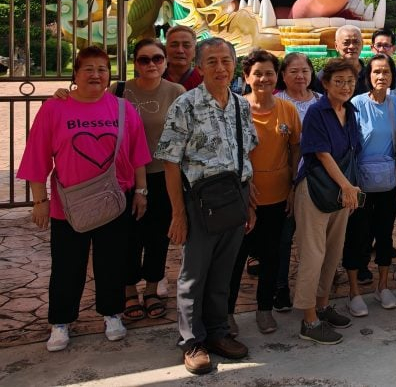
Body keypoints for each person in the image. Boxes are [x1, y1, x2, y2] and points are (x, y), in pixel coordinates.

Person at [18, 46, 151, 352]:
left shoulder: (122, 108)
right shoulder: (55, 109)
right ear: (76, 74)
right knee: (67, 265)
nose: (96, 74)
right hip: (69, 205)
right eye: (88, 68)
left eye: (102, 68)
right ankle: (61, 321)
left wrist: (141, 191)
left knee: (112, 261)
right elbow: (38, 155)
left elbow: (138, 154)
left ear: (109, 75)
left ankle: (112, 313)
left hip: (114, 200)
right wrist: (40, 201)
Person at [156, 38, 259, 375]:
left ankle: (217, 334)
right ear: (199, 68)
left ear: (234, 64)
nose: (220, 68)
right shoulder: (185, 106)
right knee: (193, 276)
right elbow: (170, 163)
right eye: (212, 61)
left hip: (235, 198)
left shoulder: (241, 105)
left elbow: (246, 154)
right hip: (199, 202)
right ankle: (192, 342)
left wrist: (250, 203)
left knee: (223, 274)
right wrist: (178, 213)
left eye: (225, 60)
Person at [227, 50, 301, 335]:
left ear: (277, 76)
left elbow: (294, 148)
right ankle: (227, 313)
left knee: (272, 257)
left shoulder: (287, 110)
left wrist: (293, 187)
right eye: (257, 73)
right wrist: (244, 187)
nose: (263, 78)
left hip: (278, 198)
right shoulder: (235, 109)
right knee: (235, 259)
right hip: (243, 199)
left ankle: (264, 310)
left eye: (269, 73)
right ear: (246, 77)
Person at [294, 58, 362, 346]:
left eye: (350, 81)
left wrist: (350, 187)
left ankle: (322, 305)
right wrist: (347, 186)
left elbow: (352, 151)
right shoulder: (316, 112)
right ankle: (308, 319)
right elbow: (321, 153)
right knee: (313, 255)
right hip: (316, 189)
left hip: (341, 191)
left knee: (333, 253)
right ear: (325, 84)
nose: (346, 87)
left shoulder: (350, 111)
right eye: (339, 81)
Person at [116, 40, 185, 320]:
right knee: (129, 236)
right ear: (135, 63)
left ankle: (153, 288)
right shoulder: (120, 91)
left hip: (162, 174)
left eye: (157, 58)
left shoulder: (176, 92)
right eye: (144, 60)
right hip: (126, 176)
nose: (151, 65)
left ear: (165, 62)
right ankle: (129, 290)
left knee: (158, 236)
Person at [342, 54, 396, 315]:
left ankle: (383, 286)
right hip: (360, 184)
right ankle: (354, 291)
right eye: (376, 72)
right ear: (368, 75)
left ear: (392, 76)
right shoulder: (355, 104)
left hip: (388, 183)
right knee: (357, 236)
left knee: (385, 235)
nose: (381, 77)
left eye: (386, 72)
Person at [272, 52, 322, 312]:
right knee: (283, 237)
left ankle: (314, 287)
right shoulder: (275, 102)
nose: (300, 76)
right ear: (283, 75)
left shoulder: (322, 102)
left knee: (313, 239)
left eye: (305, 70)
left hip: (318, 183)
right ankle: (280, 287)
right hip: (286, 181)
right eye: (293, 71)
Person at [319, 24, 368, 94]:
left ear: (362, 45)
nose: (351, 46)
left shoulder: (370, 74)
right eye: (346, 43)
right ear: (336, 46)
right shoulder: (326, 75)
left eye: (356, 42)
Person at [163, 25, 203, 90]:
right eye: (174, 45)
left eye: (186, 46)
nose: (180, 51)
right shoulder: (155, 76)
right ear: (165, 49)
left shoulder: (203, 79)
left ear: (195, 51)